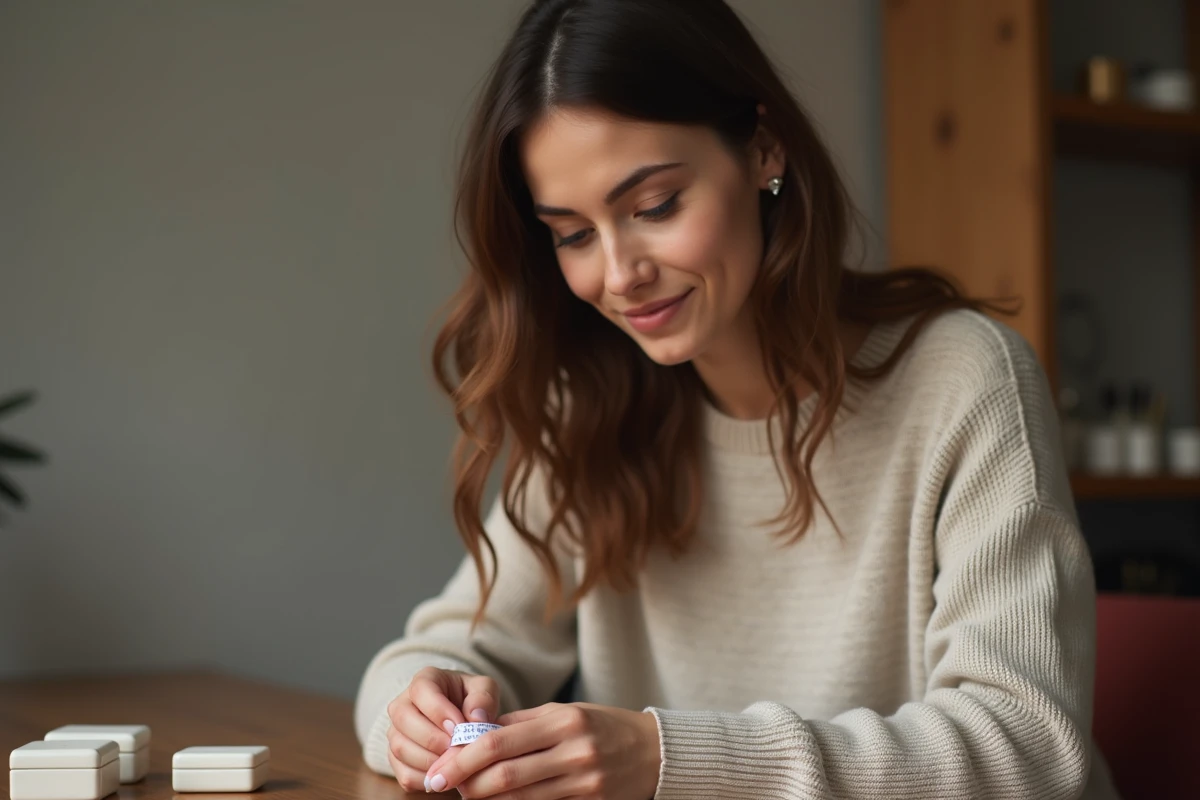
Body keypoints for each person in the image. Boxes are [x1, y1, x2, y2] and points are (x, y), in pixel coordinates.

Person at [354, 1, 1121, 797]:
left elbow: (1026, 746)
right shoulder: (592, 408)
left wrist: (666, 759)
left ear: (762, 149)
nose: (619, 275)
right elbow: (437, 656)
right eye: (573, 234)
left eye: (655, 206)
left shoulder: (964, 380)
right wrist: (420, 715)